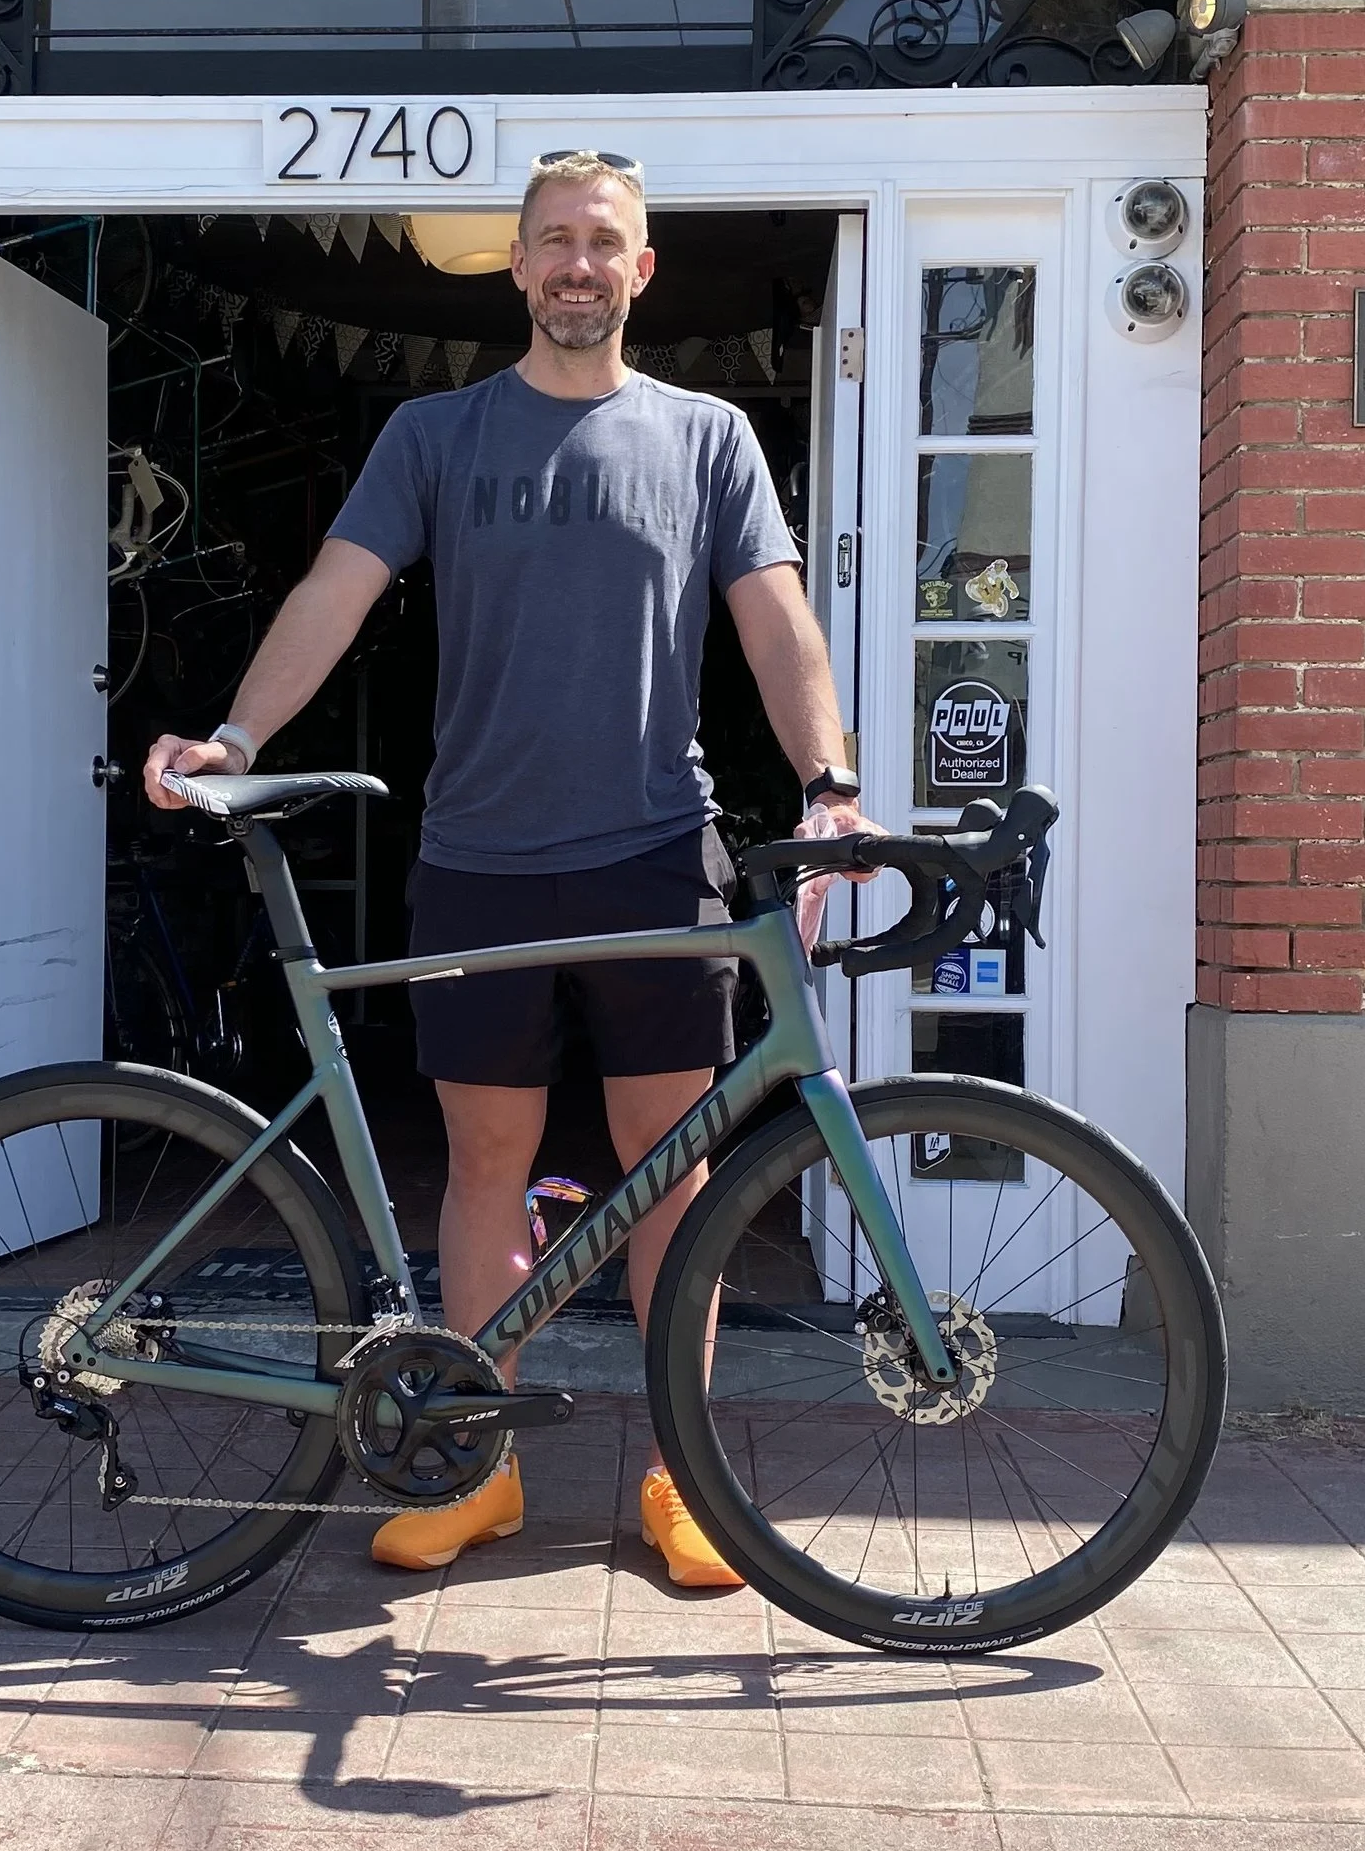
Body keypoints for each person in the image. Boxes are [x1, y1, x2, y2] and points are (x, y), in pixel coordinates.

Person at [144, 151, 866, 1586]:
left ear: (639, 269)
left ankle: (684, 1476)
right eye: (553, 241)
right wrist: (237, 735)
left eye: (603, 242)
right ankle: (478, 1468)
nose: (577, 265)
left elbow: (777, 620)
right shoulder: (435, 434)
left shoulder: (709, 437)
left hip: (656, 854)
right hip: (477, 861)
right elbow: (333, 591)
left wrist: (829, 784)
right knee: (486, 1166)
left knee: (672, 1178)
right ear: (519, 266)